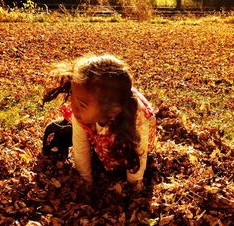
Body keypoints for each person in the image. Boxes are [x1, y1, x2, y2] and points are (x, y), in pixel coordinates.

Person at [42, 54, 156, 190]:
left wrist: (134, 187)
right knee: (55, 131)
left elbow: (137, 156)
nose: (73, 107)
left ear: (110, 111)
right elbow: (80, 147)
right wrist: (85, 182)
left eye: (82, 104)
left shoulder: (136, 119)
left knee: (117, 164)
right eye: (73, 96)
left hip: (123, 141)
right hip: (98, 131)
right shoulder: (81, 110)